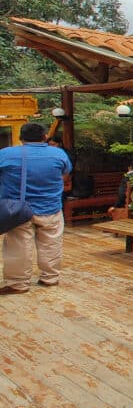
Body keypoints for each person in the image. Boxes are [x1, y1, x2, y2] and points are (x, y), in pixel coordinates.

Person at [0, 122, 73, 294]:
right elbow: (65, 174)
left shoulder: (6, 154)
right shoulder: (58, 154)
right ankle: (50, 278)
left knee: (19, 246)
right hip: (51, 207)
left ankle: (17, 284)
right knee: (52, 244)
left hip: (18, 210)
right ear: (44, 136)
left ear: (20, 137)